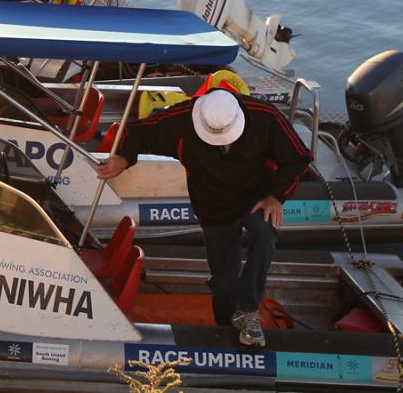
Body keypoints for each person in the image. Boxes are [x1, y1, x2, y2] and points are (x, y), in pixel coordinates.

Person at [97, 88, 311, 347]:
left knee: (265, 232)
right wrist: (124, 158)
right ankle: (225, 329)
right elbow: (137, 131)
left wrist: (276, 196)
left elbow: (299, 158)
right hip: (213, 206)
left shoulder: (266, 117)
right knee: (223, 283)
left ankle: (249, 310)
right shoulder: (181, 119)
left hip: (256, 199)